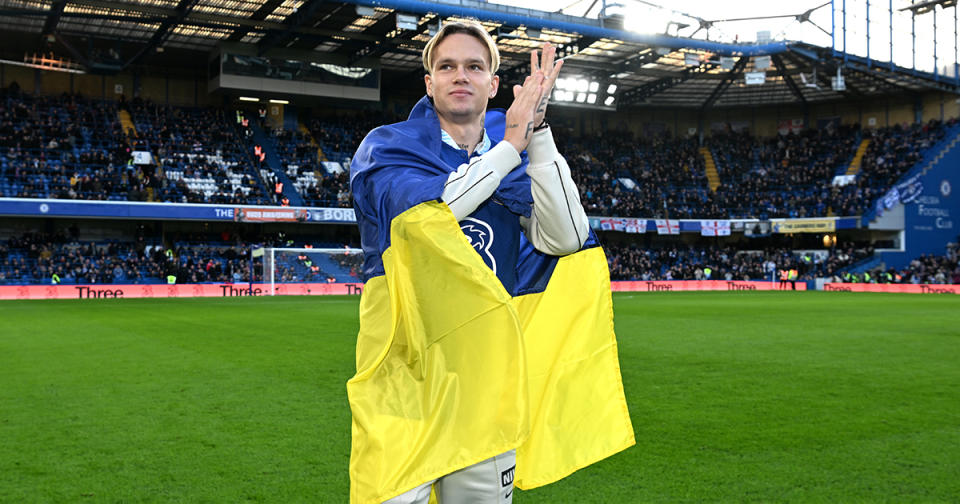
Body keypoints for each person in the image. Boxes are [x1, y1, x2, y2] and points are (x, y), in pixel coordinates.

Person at [347, 21, 633, 504]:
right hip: (404, 377)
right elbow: (430, 216)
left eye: (475, 67)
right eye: (447, 66)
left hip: (486, 382)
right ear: (429, 83)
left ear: (494, 84)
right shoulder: (387, 147)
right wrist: (510, 148)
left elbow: (564, 238)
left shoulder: (515, 147)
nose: (461, 75)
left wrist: (538, 134)